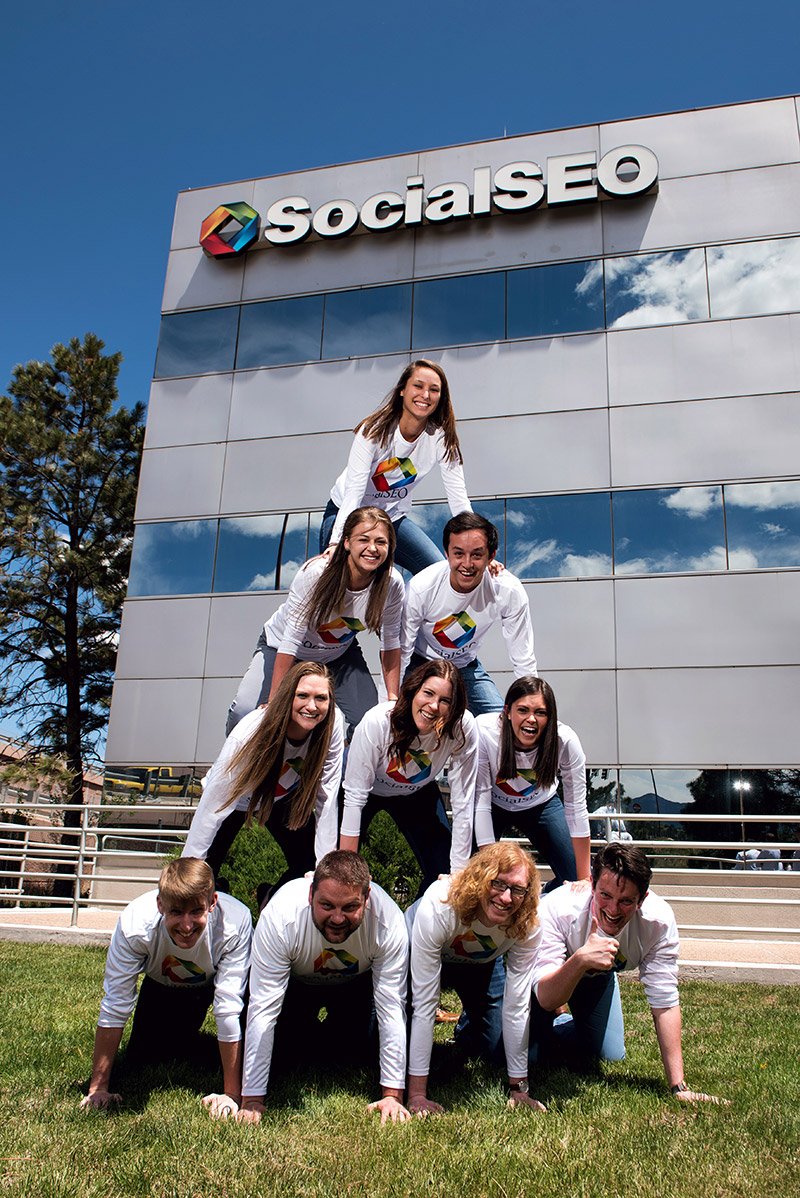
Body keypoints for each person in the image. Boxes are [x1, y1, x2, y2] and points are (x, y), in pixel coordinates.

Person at [530, 843, 728, 1104]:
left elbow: (665, 1001)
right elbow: (546, 998)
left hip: (596, 977)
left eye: (625, 901)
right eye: (605, 895)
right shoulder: (558, 909)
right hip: (542, 977)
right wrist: (579, 960)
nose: (613, 910)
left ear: (642, 899)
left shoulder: (658, 921)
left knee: (608, 1054)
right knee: (518, 1055)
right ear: (592, 886)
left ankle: (557, 1025)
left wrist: (678, 1087)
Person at [237, 851, 410, 1125]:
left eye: (350, 907)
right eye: (327, 905)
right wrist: (252, 1100)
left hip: (355, 987)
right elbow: (263, 1009)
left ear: (367, 898)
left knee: (354, 1051)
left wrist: (392, 1096)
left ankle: (328, 1036)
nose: (338, 918)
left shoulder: (389, 921)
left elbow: (391, 1007)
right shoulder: (281, 917)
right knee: (285, 1052)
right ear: (310, 895)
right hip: (295, 984)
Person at [80, 858, 252, 1118]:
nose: (186, 925)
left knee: (252, 1055)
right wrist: (98, 1089)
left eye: (196, 911)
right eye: (176, 912)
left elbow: (228, 1006)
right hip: (162, 985)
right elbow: (115, 1004)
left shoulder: (236, 923)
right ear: (160, 904)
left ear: (213, 902)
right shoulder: (135, 924)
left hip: (214, 980)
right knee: (145, 1057)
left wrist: (231, 1095)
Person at [227, 506, 403, 735]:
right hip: (282, 647)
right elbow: (291, 640)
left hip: (337, 654)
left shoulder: (391, 584)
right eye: (364, 539)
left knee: (370, 720)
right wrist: (274, 702)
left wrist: (392, 699)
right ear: (346, 542)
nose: (372, 548)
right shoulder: (316, 573)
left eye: (381, 542)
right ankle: (236, 757)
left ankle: (345, 759)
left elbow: (390, 643)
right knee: (245, 712)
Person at [407, 842, 545, 1115]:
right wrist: (417, 1095)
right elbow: (425, 1003)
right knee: (386, 1037)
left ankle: (467, 1030)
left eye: (518, 889)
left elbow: (517, 1005)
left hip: (481, 963)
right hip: (419, 952)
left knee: (497, 1048)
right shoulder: (441, 903)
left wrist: (519, 1090)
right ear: (480, 878)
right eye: (498, 883)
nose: (506, 898)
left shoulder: (527, 922)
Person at [183, 662, 345, 887]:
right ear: (287, 696)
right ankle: (220, 892)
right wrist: (187, 871)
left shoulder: (332, 723)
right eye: (302, 695)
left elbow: (327, 795)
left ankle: (269, 896)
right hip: (233, 800)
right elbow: (214, 806)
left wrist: (326, 867)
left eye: (321, 698)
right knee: (202, 874)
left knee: (309, 867)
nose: (312, 706)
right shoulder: (251, 731)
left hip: (281, 797)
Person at [320, 360, 472, 575]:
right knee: (339, 575)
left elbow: (458, 497)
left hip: (391, 519)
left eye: (434, 390)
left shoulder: (440, 439)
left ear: (441, 397)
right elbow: (355, 491)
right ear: (402, 390)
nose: (425, 395)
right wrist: (336, 542)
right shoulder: (374, 430)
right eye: (418, 386)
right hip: (347, 514)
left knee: (439, 573)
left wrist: (474, 545)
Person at [339, 660, 478, 891]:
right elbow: (355, 795)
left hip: (416, 791)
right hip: (364, 788)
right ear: (413, 690)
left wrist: (457, 874)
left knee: (443, 868)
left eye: (445, 701)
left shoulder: (462, 727)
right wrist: (345, 871)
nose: (434, 706)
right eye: (428, 693)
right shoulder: (379, 720)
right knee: (333, 867)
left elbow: (463, 801)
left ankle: (419, 914)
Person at [401, 512, 537, 715]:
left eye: (476, 555)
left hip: (464, 665)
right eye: (458, 554)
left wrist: (531, 702)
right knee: (400, 716)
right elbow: (401, 650)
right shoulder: (421, 587)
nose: (467, 564)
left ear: (491, 556)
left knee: (500, 722)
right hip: (418, 661)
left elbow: (522, 656)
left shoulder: (507, 590)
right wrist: (390, 699)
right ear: (447, 554)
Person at [474, 677, 591, 888]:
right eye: (522, 710)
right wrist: (489, 867)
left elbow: (576, 808)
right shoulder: (484, 730)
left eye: (540, 713)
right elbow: (480, 802)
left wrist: (584, 880)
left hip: (542, 804)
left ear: (550, 717)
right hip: (492, 805)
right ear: (507, 711)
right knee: (475, 876)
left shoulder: (565, 740)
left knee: (576, 877)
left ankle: (546, 894)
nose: (531, 719)